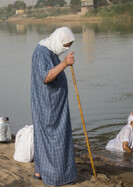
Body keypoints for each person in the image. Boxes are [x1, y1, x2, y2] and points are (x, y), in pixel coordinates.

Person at [31, 27, 77, 186]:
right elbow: (46, 77)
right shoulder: (42, 53)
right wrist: (64, 63)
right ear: (58, 41)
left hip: (54, 102)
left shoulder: (49, 50)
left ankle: (40, 171)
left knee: (44, 135)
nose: (67, 49)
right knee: (54, 137)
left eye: (69, 46)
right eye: (66, 45)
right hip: (48, 105)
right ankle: (55, 177)